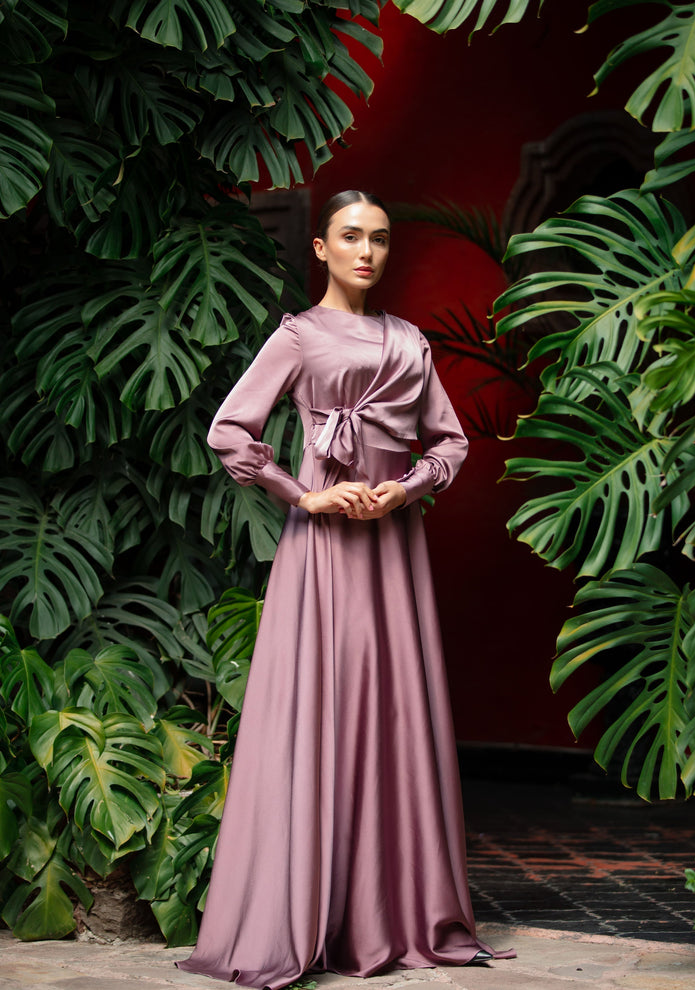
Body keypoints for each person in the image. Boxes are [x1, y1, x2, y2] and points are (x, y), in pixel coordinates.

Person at [177, 190, 515, 988]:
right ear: (321, 249)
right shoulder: (296, 336)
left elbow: (450, 443)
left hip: (391, 548)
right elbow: (232, 429)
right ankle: (303, 914)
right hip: (322, 550)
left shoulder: (408, 341)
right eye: (351, 237)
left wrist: (401, 491)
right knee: (317, 712)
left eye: (380, 239)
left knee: (390, 712)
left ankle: (388, 914)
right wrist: (306, 495)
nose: (367, 251)